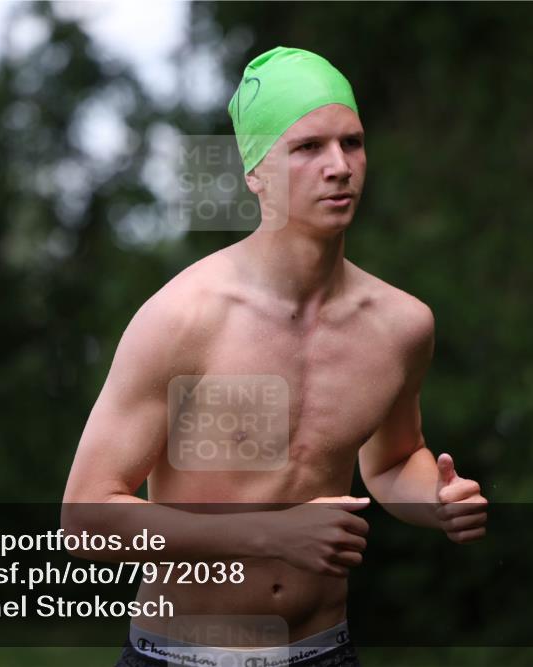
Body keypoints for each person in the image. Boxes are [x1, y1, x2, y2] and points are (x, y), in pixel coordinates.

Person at [63, 46, 488, 667]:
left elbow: (394, 460)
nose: (339, 166)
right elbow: (85, 521)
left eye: (352, 142)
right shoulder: (185, 318)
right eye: (308, 147)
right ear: (255, 173)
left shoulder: (401, 326)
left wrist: (438, 500)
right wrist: (267, 533)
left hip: (324, 653)